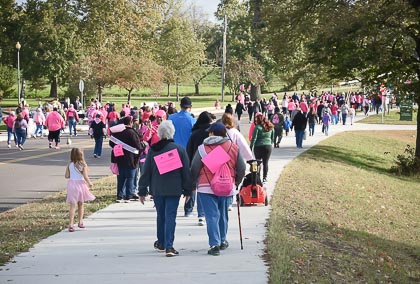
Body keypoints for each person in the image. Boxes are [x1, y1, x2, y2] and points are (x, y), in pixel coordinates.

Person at [138, 120, 192, 257]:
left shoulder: (153, 150)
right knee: (170, 216)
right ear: (172, 133)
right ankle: (169, 246)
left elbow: (146, 171)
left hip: (157, 188)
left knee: (160, 215)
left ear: (159, 134)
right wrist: (188, 190)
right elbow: (186, 172)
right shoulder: (179, 149)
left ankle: (161, 242)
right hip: (174, 189)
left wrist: (142, 190)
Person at [190, 122, 246, 256]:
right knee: (223, 214)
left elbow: (194, 168)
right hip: (227, 185)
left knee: (211, 216)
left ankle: (214, 244)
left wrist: (194, 182)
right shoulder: (233, 147)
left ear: (211, 133)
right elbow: (242, 168)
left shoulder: (202, 148)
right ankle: (222, 240)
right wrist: (236, 182)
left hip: (205, 186)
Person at [186, 111, 214, 223]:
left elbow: (189, 150)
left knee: (197, 187)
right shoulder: (212, 133)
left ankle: (199, 213)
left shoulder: (195, 133)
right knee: (210, 188)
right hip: (211, 162)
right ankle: (209, 211)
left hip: (196, 162)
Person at [109, 116, 143, 202]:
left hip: (119, 157)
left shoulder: (117, 132)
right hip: (131, 158)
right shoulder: (132, 132)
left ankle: (120, 195)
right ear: (130, 123)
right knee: (130, 177)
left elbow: (111, 143)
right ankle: (129, 195)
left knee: (121, 178)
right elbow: (138, 146)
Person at [64, 148, 95, 232]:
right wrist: (89, 183)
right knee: (81, 204)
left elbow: (66, 176)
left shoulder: (69, 164)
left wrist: (72, 173)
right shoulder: (83, 165)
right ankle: (80, 222)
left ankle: (70, 224)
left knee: (72, 205)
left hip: (71, 184)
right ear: (81, 155)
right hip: (80, 184)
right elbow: (85, 176)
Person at [250, 113, 274, 182]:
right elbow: (272, 138)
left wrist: (251, 147)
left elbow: (254, 138)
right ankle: (265, 177)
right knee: (265, 162)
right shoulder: (270, 127)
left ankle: (258, 176)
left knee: (257, 162)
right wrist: (269, 143)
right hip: (268, 146)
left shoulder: (257, 127)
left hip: (258, 146)